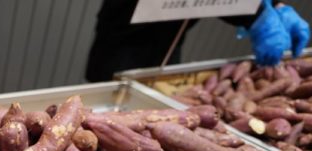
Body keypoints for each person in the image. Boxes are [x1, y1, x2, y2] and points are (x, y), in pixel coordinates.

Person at [85, 0, 310, 82]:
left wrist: (274, 4)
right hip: (131, 26)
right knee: (114, 82)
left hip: (173, 29)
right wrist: (256, 14)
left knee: (163, 77)